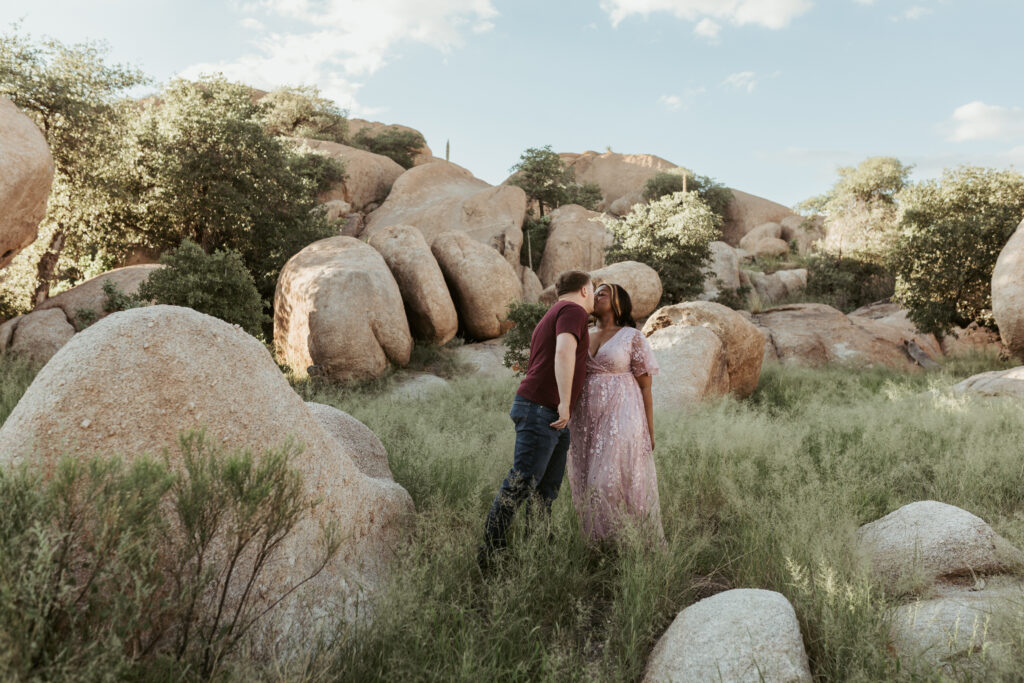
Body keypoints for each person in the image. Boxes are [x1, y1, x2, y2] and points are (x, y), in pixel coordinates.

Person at [479, 270, 594, 564]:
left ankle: (537, 550)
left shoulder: (553, 312)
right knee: (519, 485)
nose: (593, 295)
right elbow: (564, 353)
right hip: (543, 410)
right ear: (584, 290)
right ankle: (490, 554)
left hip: (548, 414)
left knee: (545, 491)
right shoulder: (572, 310)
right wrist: (566, 403)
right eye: (593, 289)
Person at [567, 283, 663, 543]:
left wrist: (649, 431)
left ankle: (629, 538)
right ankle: (599, 546)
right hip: (586, 417)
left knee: (606, 482)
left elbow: (645, 386)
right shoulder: (583, 333)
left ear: (618, 301)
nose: (596, 297)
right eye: (595, 293)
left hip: (622, 411)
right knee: (587, 482)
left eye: (603, 293)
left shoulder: (632, 336)